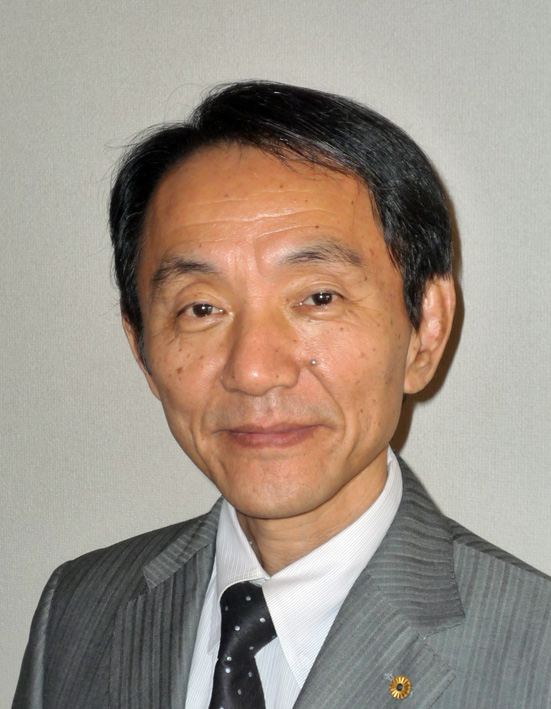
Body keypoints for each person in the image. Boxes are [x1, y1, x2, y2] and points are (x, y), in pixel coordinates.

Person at [13, 81, 551, 709]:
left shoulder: (535, 649)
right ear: (142, 349)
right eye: (201, 308)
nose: (254, 371)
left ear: (425, 329)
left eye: (318, 298)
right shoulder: (78, 610)